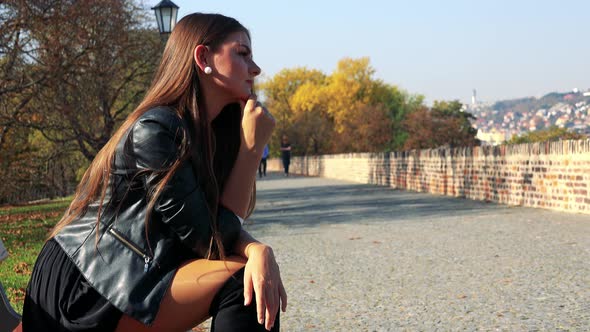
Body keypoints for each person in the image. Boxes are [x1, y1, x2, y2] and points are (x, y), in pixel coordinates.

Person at [21, 13, 286, 332]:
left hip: (135, 275)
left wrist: (256, 248)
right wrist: (252, 151)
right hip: (89, 282)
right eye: (242, 54)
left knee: (249, 278)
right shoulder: (156, 130)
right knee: (245, 283)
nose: (255, 69)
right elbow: (210, 239)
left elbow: (217, 222)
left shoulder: (209, 136)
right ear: (203, 57)